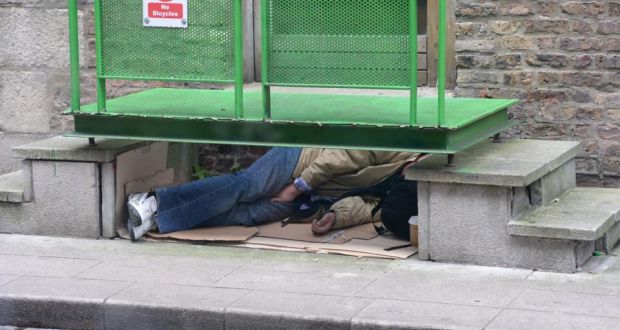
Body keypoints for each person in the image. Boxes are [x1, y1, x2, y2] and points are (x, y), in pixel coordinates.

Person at [127, 147, 420, 241]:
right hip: (301, 160)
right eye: (416, 172)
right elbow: (342, 156)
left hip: (314, 196)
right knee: (248, 186)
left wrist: (334, 216)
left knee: (252, 213)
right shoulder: (403, 148)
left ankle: (158, 220)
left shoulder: (403, 190)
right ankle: (154, 202)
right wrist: (296, 187)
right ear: (420, 160)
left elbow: (369, 207)